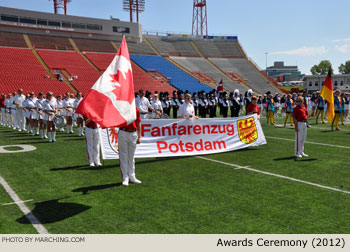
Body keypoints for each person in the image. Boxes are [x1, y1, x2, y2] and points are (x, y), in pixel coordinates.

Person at [118, 107, 142, 186]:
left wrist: (139, 136)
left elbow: (138, 122)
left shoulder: (136, 109)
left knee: (131, 156)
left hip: (133, 133)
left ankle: (132, 176)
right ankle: (125, 177)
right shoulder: (121, 107)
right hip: (123, 131)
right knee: (123, 156)